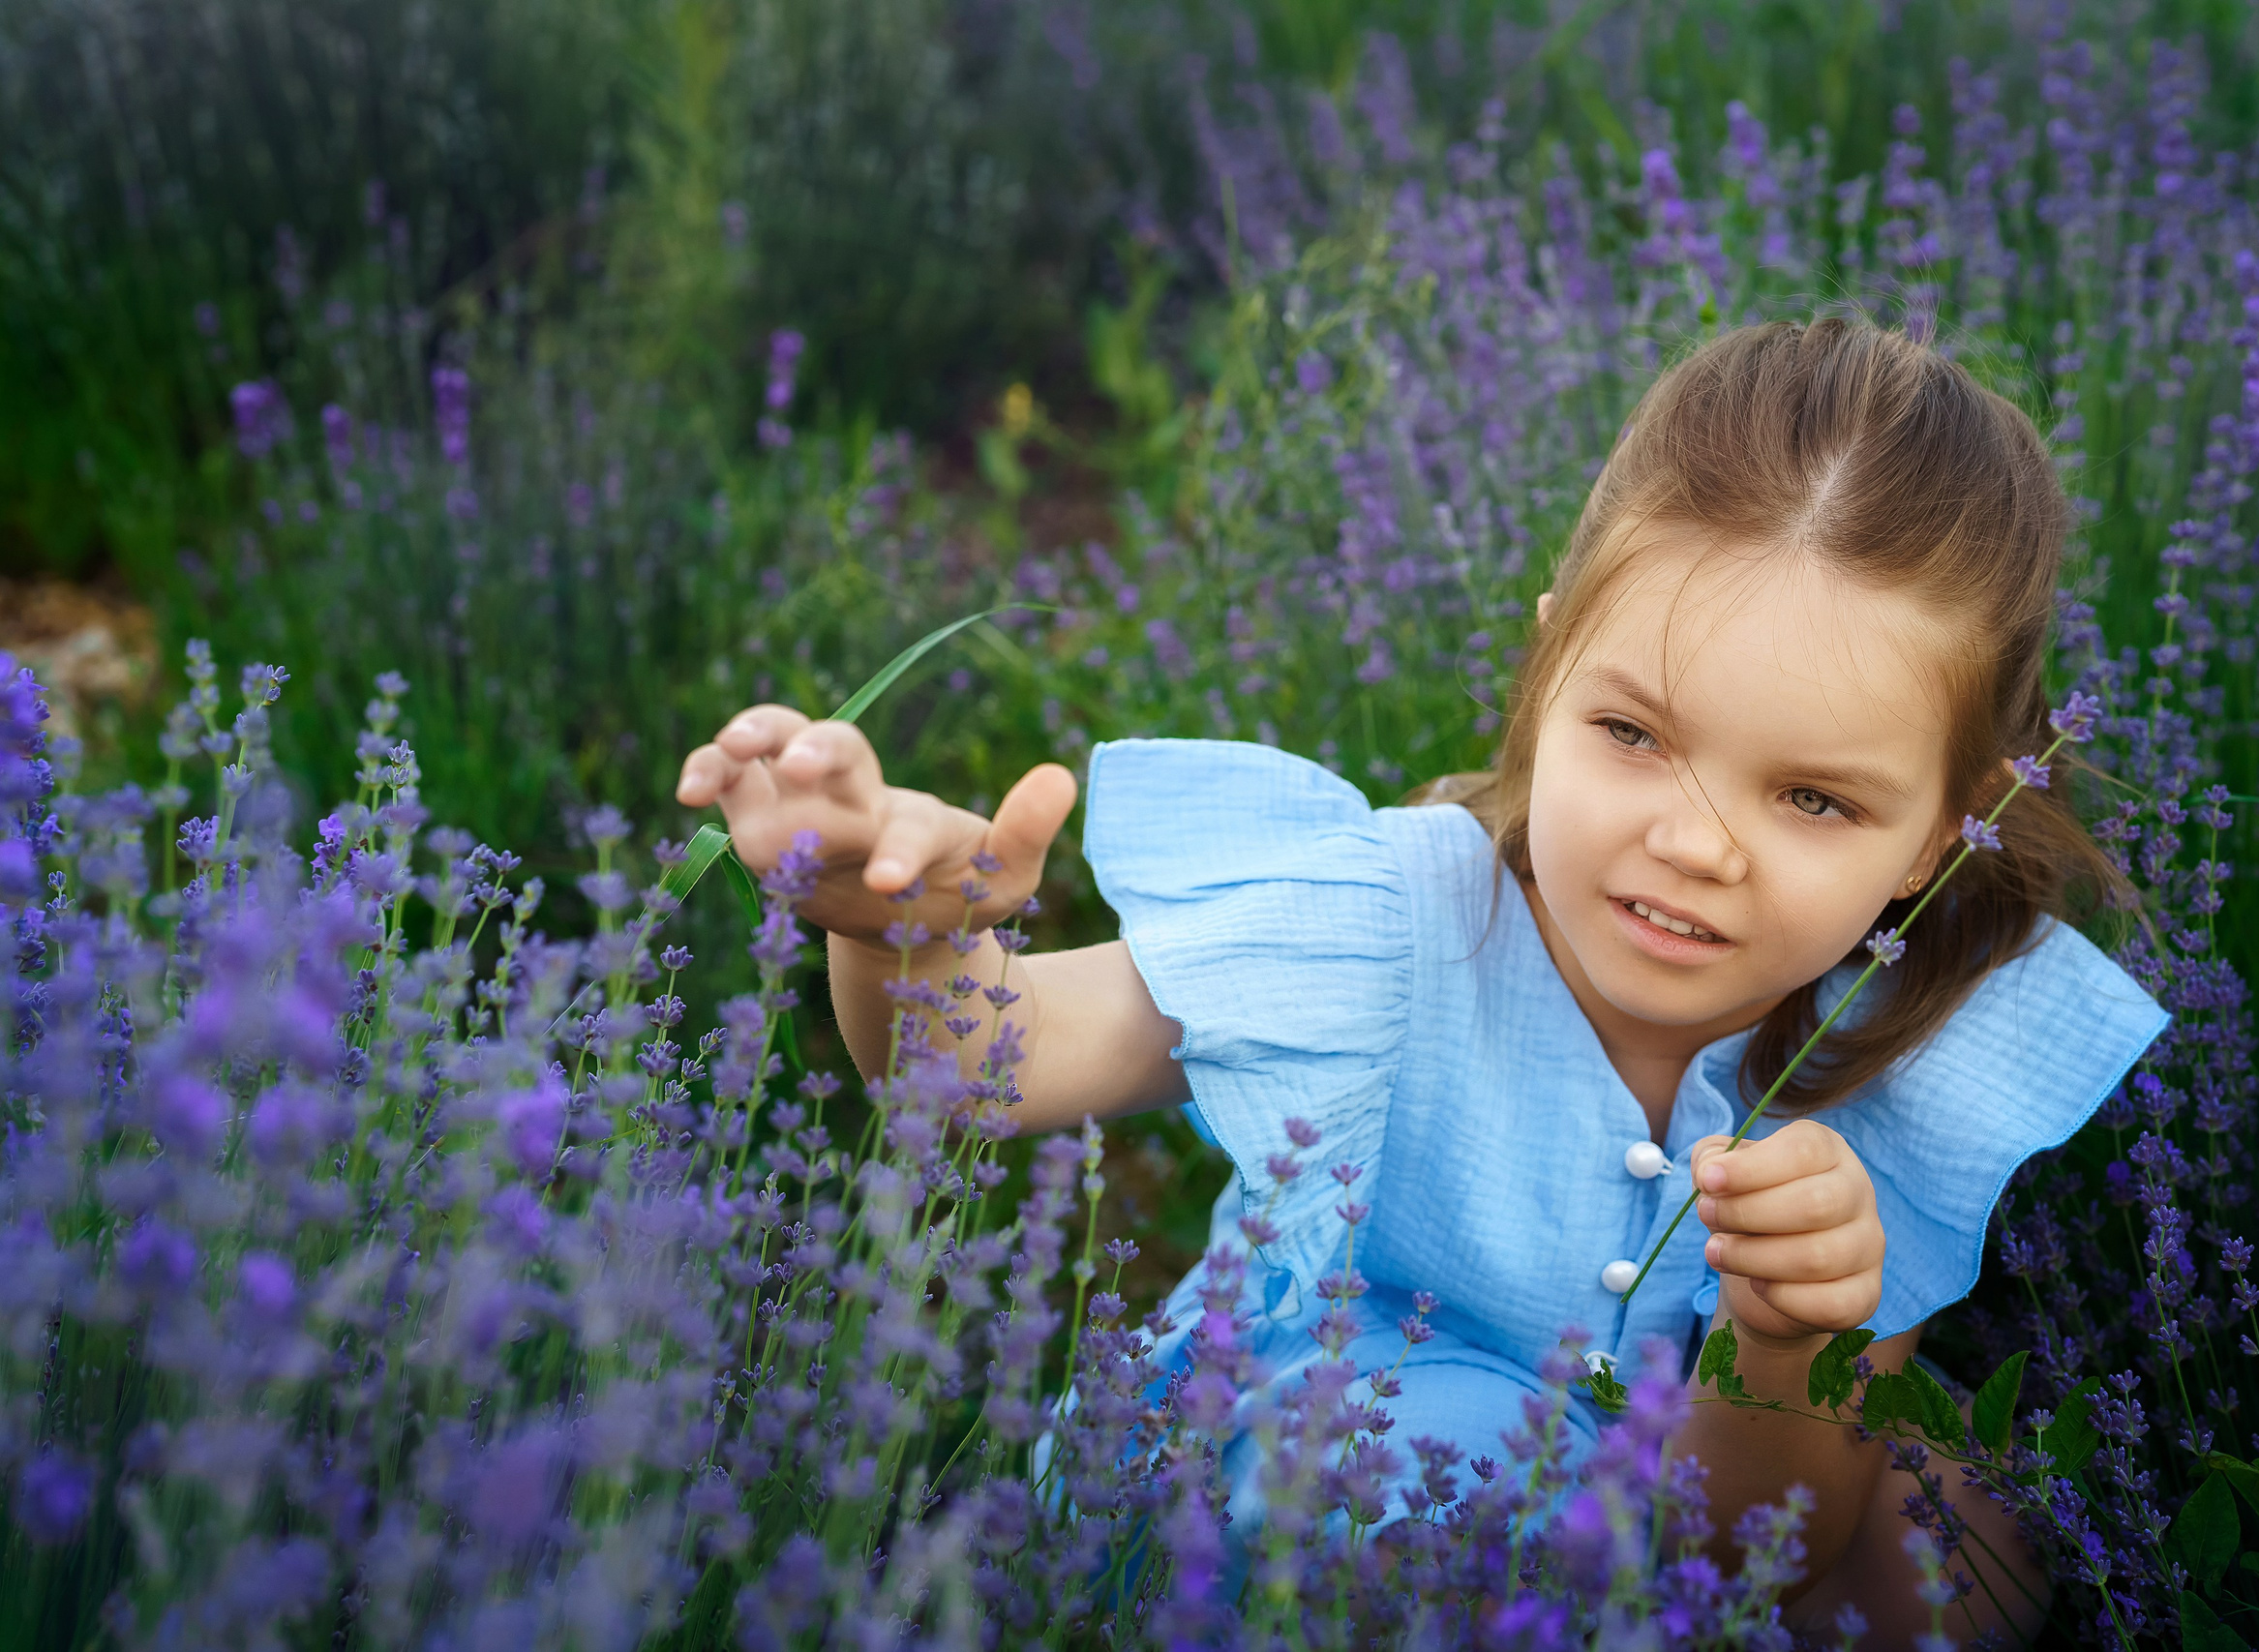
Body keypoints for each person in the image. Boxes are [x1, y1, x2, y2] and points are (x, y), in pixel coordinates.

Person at [673, 319, 2167, 1646]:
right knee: (1442, 1473)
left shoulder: (1883, 1079)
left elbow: (1743, 1552)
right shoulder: (1392, 923)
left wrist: (1790, 1342)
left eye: (1814, 803)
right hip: (1300, 1483)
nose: (1691, 845)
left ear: (1942, 831)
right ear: (1545, 674)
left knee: (1957, 1552)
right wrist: (899, 933)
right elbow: (978, 1064)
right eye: (1634, 735)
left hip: (1661, 1520)